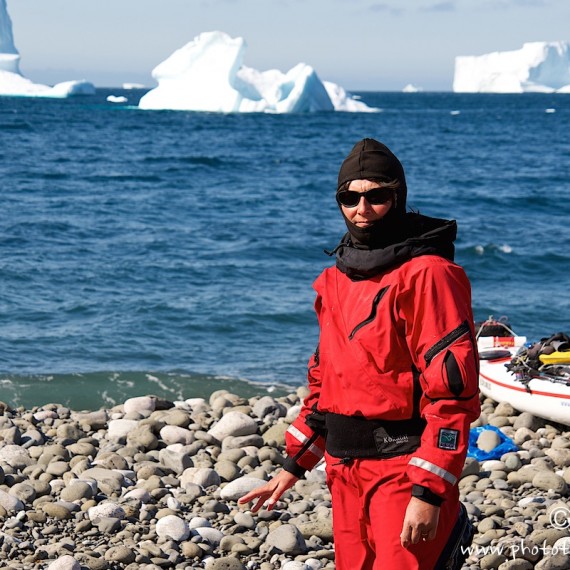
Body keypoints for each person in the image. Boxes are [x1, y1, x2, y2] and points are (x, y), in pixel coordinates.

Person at [239, 138, 480, 569]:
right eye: (350, 198)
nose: (362, 209)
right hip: (344, 470)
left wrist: (429, 492)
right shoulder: (333, 280)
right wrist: (294, 465)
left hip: (402, 469)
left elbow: (453, 395)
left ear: (399, 197)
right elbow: (327, 383)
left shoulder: (429, 275)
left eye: (377, 196)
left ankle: (450, 526)